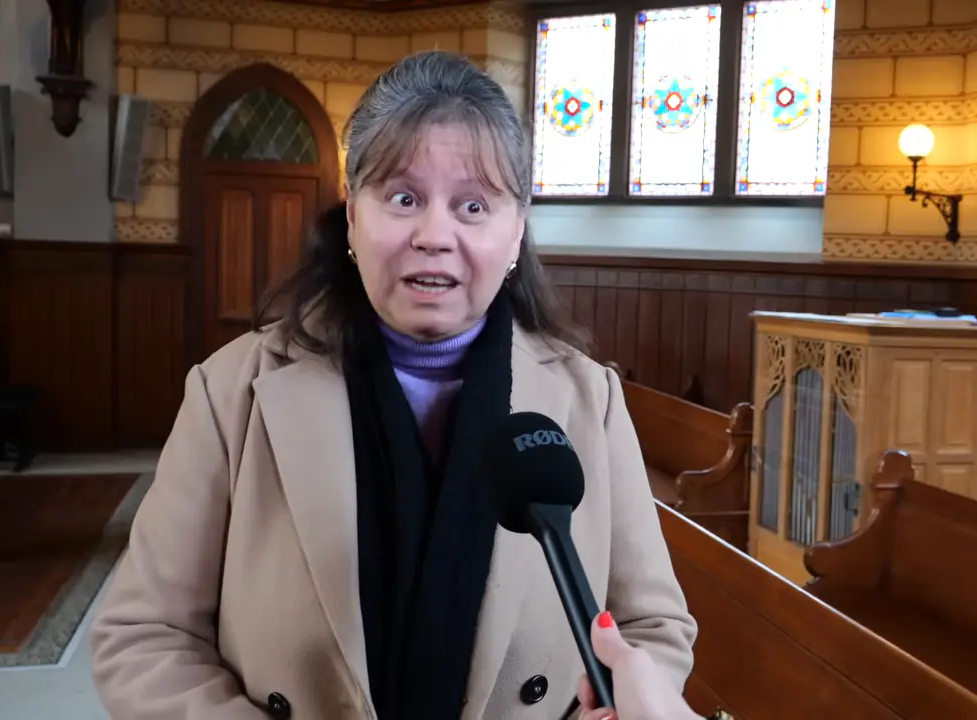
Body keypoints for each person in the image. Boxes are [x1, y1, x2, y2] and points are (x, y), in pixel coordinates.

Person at [89, 51, 709, 720]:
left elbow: (651, 627)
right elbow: (144, 635)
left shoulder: (590, 400)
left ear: (516, 230)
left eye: (473, 205)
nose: (434, 235)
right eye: (404, 198)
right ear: (352, 215)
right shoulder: (230, 393)